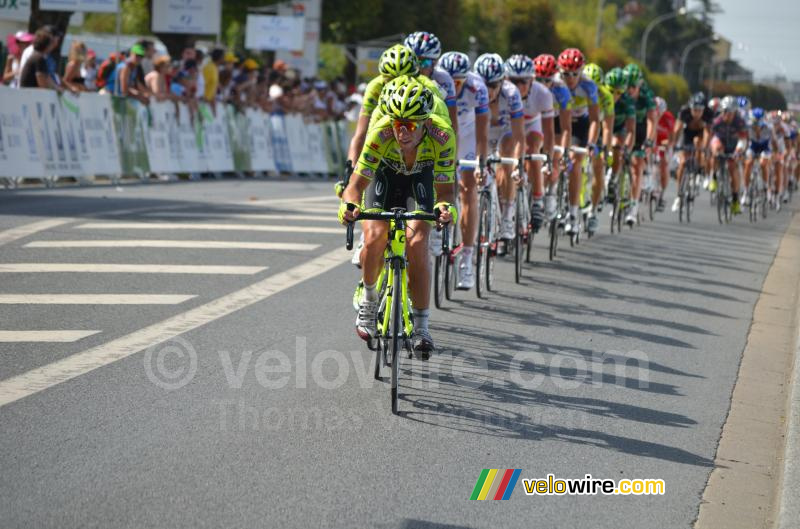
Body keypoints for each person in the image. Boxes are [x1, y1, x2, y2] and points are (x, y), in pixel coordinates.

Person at [339, 78, 454, 356]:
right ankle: (368, 301)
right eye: (398, 123)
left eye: (410, 125)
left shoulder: (442, 135)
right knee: (376, 236)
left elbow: (446, 190)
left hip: (422, 178)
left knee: (417, 246)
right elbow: (356, 184)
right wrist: (350, 205)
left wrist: (445, 209)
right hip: (386, 177)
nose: (402, 132)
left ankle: (422, 326)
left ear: (426, 122)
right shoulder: (382, 133)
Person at [439, 51, 489, 289]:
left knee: (468, 189)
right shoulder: (436, 81)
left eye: (458, 82)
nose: (454, 86)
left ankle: (467, 258)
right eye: (451, 81)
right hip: (443, 132)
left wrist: (481, 160)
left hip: (468, 135)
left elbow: (483, 131)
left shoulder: (477, 88)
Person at [507, 54, 554, 233]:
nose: (518, 87)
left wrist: (548, 158)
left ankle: (537, 199)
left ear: (532, 80)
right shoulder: (503, 91)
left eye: (523, 82)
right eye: (514, 81)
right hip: (510, 125)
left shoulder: (543, 94)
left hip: (532, 124)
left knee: (533, 148)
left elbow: (549, 132)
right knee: (505, 157)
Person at [556, 48, 599, 235]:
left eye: (575, 73)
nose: (571, 78)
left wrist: (591, 143)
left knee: (574, 161)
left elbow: (596, 120)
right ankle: (551, 197)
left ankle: (573, 212)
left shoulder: (589, 86)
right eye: (566, 73)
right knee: (553, 158)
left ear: (582, 71)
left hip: (580, 124)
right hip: (557, 121)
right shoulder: (555, 83)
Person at [533, 53, 572, 222]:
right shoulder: (528, 86)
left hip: (554, 122)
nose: (543, 85)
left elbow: (565, 127)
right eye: (539, 80)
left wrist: (563, 151)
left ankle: (551, 192)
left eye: (547, 81)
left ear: (553, 79)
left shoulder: (561, 90)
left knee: (553, 156)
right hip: (535, 120)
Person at [404, 31, 459, 135]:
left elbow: (453, 124)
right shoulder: (399, 75)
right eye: (414, 61)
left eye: (425, 62)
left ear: (434, 63)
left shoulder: (444, 80)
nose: (418, 67)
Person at [582, 63, 615, 232]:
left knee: (599, 165)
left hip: (599, 129)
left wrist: (607, 150)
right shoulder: (578, 89)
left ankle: (593, 210)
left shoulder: (606, 96)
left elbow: (608, 127)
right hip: (581, 127)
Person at [623, 63, 656, 225]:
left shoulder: (646, 96)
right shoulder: (621, 93)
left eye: (633, 86)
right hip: (624, 128)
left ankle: (633, 207)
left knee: (637, 166)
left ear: (640, 85)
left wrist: (649, 140)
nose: (630, 90)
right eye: (628, 86)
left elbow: (651, 120)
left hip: (641, 129)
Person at [709, 95, 747, 215]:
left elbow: (743, 139)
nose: (727, 114)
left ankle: (735, 200)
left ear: (735, 112)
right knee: (716, 149)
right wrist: (711, 149)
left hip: (734, 146)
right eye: (725, 111)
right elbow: (711, 136)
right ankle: (714, 177)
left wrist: (739, 151)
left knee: (733, 168)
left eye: (730, 112)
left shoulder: (740, 122)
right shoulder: (717, 121)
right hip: (721, 141)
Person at [672, 92, 713, 200]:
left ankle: (699, 169)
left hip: (700, 134)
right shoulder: (684, 111)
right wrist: (675, 144)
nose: (697, 113)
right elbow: (677, 129)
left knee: (698, 143)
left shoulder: (708, 113)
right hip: (687, 134)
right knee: (682, 163)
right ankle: (679, 192)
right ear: (690, 108)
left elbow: (708, 132)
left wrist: (705, 147)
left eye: (700, 110)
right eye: (694, 110)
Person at [654, 96, 675, 210]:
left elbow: (672, 136)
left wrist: (669, 145)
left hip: (664, 142)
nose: (657, 114)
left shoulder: (668, 117)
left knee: (664, 165)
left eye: (660, 112)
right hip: (653, 141)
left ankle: (661, 193)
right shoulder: (650, 113)